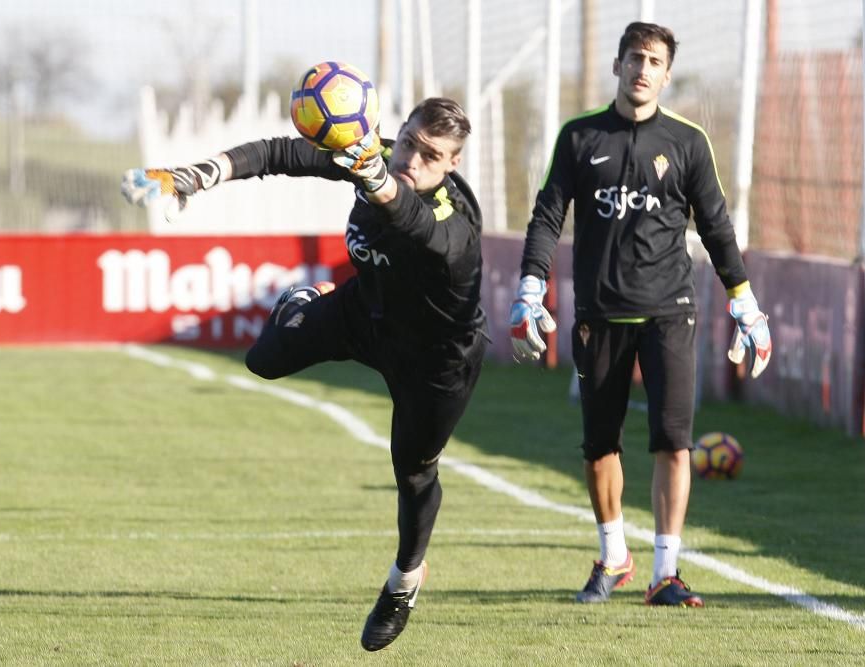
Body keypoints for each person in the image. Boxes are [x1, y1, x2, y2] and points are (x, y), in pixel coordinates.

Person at [121, 97, 488, 649]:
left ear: (451, 165)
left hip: (437, 360)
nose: (413, 159)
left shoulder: (454, 224)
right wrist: (196, 176)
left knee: (413, 475)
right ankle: (304, 300)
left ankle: (403, 582)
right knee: (263, 360)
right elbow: (280, 153)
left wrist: (377, 181)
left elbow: (412, 220)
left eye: (431, 156)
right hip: (364, 315)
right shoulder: (379, 156)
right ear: (400, 132)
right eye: (409, 141)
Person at [509, 22, 773, 607]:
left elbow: (717, 228)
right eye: (635, 58)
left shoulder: (687, 141)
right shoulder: (579, 138)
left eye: (655, 61)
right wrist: (531, 287)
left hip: (669, 313)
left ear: (667, 73)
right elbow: (547, 216)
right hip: (598, 315)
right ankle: (613, 556)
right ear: (618, 65)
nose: (643, 69)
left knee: (673, 442)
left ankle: (666, 574)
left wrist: (746, 304)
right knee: (600, 446)